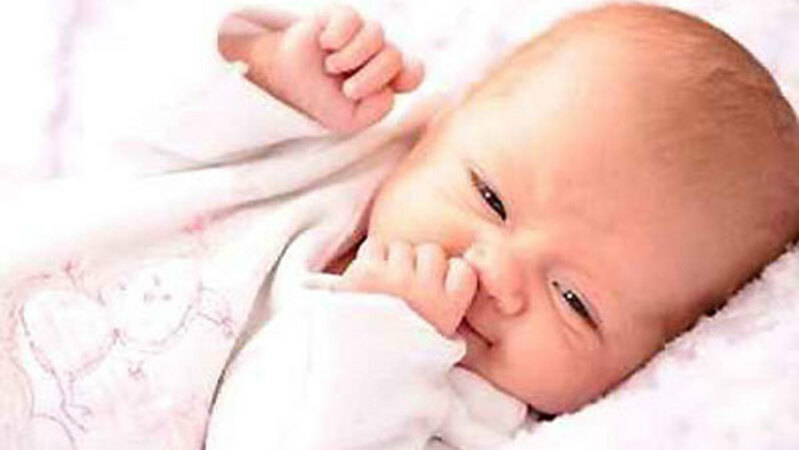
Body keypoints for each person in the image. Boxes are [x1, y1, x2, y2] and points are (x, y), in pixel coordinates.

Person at [2, 3, 797, 450]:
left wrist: (378, 334)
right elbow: (133, 134)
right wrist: (271, 71)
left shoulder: (460, 415)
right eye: (490, 198)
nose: (495, 272)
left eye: (574, 302)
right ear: (447, 121)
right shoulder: (340, 147)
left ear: (647, 361)